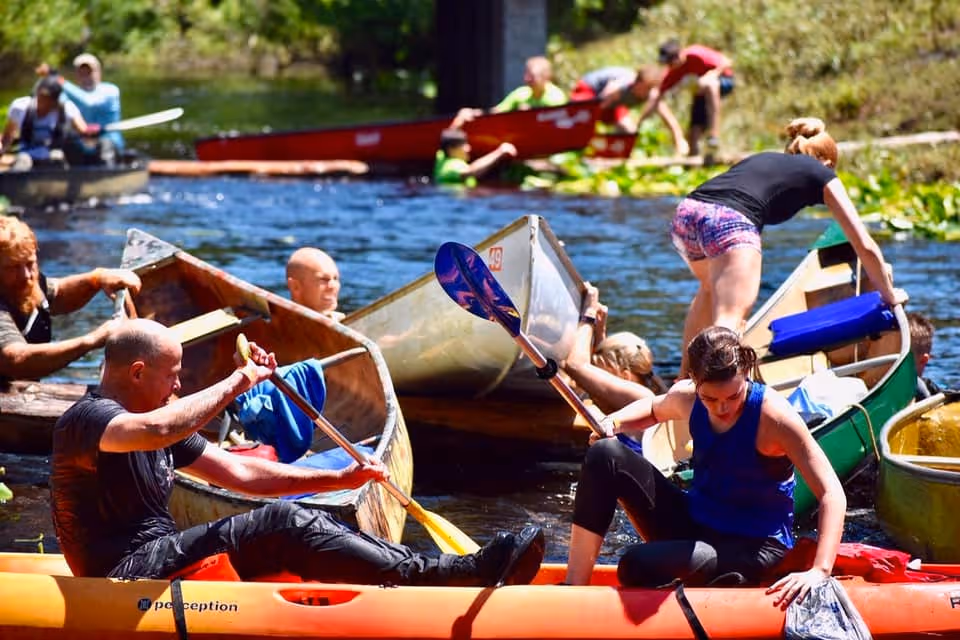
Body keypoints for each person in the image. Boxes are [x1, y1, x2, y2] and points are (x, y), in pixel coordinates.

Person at [50, 318, 545, 585]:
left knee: (291, 515)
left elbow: (240, 474)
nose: (178, 386)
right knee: (282, 521)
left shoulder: (156, 426)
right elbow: (156, 428)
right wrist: (239, 380)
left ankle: (424, 568)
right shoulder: (87, 422)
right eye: (172, 375)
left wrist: (338, 480)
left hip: (160, 557)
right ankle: (447, 575)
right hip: (122, 576)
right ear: (137, 373)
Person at [564, 326, 846, 607]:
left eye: (733, 397)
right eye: (710, 399)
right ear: (694, 381)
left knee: (635, 564)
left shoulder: (775, 417)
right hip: (698, 524)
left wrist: (819, 571)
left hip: (753, 547)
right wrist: (613, 422)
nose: (723, 408)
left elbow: (831, 493)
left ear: (746, 373)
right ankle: (573, 588)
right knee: (605, 453)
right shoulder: (687, 396)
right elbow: (652, 408)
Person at [671, 117, 908, 376]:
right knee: (730, 319)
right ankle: (712, 392)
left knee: (708, 290)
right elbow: (864, 244)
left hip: (687, 215)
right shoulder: (821, 172)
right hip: (731, 221)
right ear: (828, 162)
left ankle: (684, 378)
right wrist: (889, 294)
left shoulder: (766, 159)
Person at [0, 215, 141, 381]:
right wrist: (92, 340)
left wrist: (96, 279)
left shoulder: (25, 284)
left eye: (30, 263)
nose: (25, 275)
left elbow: (57, 293)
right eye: (13, 267)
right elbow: (15, 360)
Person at [563, 283, 669, 414]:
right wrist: (599, 333)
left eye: (600, 372)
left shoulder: (642, 398)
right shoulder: (645, 393)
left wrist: (589, 313)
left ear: (625, 376)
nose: (594, 376)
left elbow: (575, 366)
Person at [634, 39, 734, 156]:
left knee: (709, 84)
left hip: (723, 81)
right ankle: (694, 160)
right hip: (700, 94)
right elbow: (656, 98)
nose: (669, 66)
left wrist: (712, 74)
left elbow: (727, 61)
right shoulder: (673, 72)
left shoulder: (695, 54)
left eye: (671, 62)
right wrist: (638, 124)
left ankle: (713, 135)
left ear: (679, 55)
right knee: (694, 134)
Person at [572, 65, 689, 156]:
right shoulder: (622, 85)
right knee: (583, 121)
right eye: (645, 88)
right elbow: (602, 100)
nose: (646, 93)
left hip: (613, 105)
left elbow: (667, 116)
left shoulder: (650, 93)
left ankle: (615, 157)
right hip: (590, 92)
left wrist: (679, 140)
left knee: (629, 130)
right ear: (637, 83)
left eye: (649, 89)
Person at [0, 75, 97, 171]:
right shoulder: (21, 107)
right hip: (27, 153)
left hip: (54, 153)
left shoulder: (66, 108)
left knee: (57, 159)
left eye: (48, 98)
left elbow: (83, 129)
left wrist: (91, 133)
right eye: (42, 96)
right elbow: (8, 135)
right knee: (22, 163)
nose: (44, 101)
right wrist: (2, 149)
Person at [57, 53, 124, 165]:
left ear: (99, 72)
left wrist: (62, 82)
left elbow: (89, 102)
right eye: (82, 73)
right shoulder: (67, 95)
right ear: (76, 75)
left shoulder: (110, 91)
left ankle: (107, 175)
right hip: (81, 142)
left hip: (107, 140)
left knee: (105, 144)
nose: (86, 76)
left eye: (89, 72)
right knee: (66, 141)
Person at [433, 109, 517, 186]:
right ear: (451, 149)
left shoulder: (441, 156)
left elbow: (448, 137)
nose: (468, 148)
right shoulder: (450, 166)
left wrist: (460, 118)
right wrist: (499, 152)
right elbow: (471, 171)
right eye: (463, 145)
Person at [286, 247, 345, 322]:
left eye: (335, 278)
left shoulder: (347, 323)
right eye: (324, 279)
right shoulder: (276, 328)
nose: (333, 286)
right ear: (295, 287)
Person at [491, 56, 567, 112]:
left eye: (532, 76)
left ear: (545, 77)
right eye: (527, 75)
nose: (527, 79)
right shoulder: (521, 93)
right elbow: (497, 111)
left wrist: (530, 114)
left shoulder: (557, 97)